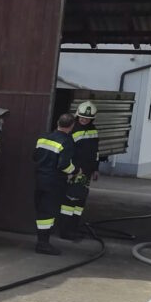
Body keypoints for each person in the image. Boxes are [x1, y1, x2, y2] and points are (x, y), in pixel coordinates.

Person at [33, 113, 77, 255]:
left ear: (58, 122)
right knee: (48, 213)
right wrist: (75, 171)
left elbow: (34, 156)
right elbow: (64, 165)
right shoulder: (67, 141)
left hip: (39, 179)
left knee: (41, 211)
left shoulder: (43, 138)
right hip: (54, 182)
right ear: (71, 126)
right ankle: (43, 244)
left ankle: (42, 241)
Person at [59, 100, 100, 241]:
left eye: (87, 118)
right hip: (75, 172)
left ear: (92, 119)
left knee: (80, 201)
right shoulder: (73, 130)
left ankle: (73, 228)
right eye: (82, 117)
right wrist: (71, 172)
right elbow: (67, 153)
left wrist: (96, 168)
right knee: (70, 201)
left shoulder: (94, 130)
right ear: (77, 115)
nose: (84, 120)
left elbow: (95, 152)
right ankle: (65, 231)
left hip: (86, 172)